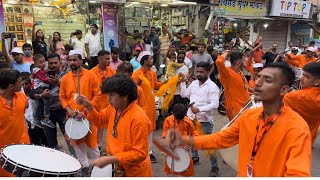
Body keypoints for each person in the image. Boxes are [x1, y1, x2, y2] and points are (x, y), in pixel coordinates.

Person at [165, 63, 312, 177]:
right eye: (259, 77)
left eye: (267, 80)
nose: (258, 83)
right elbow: (221, 139)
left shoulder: (296, 128)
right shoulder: (250, 116)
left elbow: (297, 173)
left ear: (283, 90)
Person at [75, 74, 152, 177]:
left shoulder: (139, 119)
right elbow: (100, 120)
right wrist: (88, 106)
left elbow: (140, 153)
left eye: (112, 95)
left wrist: (111, 159)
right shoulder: (114, 108)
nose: (108, 99)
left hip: (134, 172)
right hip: (115, 167)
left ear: (125, 96)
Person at [59, 50, 100, 175]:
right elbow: (62, 97)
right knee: (77, 145)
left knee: (93, 146)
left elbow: (97, 95)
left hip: (88, 116)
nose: (72, 62)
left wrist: (87, 110)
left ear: (81, 61)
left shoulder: (91, 75)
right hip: (72, 116)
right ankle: (85, 167)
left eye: (75, 60)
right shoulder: (65, 78)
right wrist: (69, 110)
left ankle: (98, 167)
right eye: (70, 60)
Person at [179, 62, 220, 177]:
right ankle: (195, 157)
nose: (199, 74)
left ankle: (215, 166)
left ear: (208, 72)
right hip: (191, 117)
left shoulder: (212, 87)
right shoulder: (193, 84)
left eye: (202, 72)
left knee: (208, 144)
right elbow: (184, 95)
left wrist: (200, 109)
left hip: (205, 120)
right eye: (198, 71)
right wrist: (183, 83)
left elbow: (215, 104)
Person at [132, 51, 163, 163]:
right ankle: (142, 151)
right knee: (141, 130)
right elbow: (132, 90)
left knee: (150, 130)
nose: (152, 60)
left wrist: (166, 83)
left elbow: (155, 85)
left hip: (151, 106)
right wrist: (138, 83)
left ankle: (148, 152)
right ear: (145, 61)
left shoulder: (152, 73)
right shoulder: (136, 74)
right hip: (140, 107)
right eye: (150, 58)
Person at [0, 70, 30, 177]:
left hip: (23, 147)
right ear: (11, 86)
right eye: (19, 82)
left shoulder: (22, 97)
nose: (22, 84)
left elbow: (25, 108)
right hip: (3, 153)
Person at [284, 62, 320, 144]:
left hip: (290, 137)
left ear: (317, 82)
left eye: (307, 77)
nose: (301, 79)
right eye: (303, 75)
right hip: (308, 138)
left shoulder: (295, 96)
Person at [162, 103, 198, 176]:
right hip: (172, 150)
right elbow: (165, 134)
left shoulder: (188, 121)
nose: (179, 121)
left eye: (181, 119)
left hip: (185, 150)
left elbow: (195, 134)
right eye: (177, 119)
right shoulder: (168, 120)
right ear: (172, 113)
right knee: (172, 171)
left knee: (186, 173)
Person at [90, 50, 116, 150]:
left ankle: (112, 146)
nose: (109, 61)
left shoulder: (112, 71)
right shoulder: (92, 72)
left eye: (109, 58)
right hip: (97, 104)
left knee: (112, 127)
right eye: (107, 59)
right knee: (98, 128)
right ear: (99, 59)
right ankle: (98, 146)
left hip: (110, 104)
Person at [216, 51, 250, 121]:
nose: (244, 63)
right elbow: (219, 62)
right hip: (235, 108)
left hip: (245, 106)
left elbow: (245, 87)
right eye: (243, 60)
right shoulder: (227, 73)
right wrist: (225, 53)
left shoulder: (240, 73)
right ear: (239, 62)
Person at [22, 74, 48, 146]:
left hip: (39, 122)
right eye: (22, 84)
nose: (24, 86)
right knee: (36, 144)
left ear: (30, 84)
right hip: (29, 124)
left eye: (26, 83)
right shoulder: (20, 97)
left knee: (46, 142)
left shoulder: (37, 94)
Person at [31, 54, 55, 128]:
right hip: (40, 88)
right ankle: (46, 118)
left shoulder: (36, 69)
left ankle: (36, 119)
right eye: (41, 62)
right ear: (35, 63)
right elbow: (44, 80)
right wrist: (51, 80)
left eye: (44, 62)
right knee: (47, 100)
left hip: (36, 88)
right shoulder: (39, 71)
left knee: (41, 103)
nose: (43, 64)